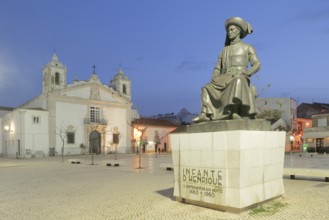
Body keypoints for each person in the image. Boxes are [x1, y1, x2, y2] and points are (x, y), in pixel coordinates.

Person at [193, 17, 261, 123]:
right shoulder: (224, 50)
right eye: (228, 30)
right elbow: (217, 67)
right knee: (206, 87)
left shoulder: (247, 47)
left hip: (240, 75)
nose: (229, 32)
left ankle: (234, 111)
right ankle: (205, 114)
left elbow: (257, 64)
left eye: (232, 30)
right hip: (224, 77)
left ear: (238, 31)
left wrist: (248, 72)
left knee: (237, 80)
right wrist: (215, 77)